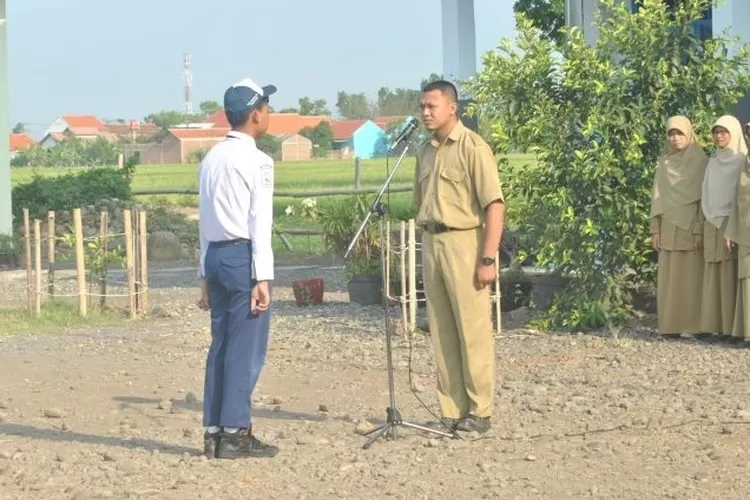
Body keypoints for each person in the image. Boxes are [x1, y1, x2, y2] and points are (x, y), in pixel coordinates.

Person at [413, 80, 505, 434]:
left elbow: (494, 205)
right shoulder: (424, 151)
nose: (425, 112)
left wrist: (487, 258)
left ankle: (479, 411)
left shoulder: (473, 148)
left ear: (453, 108)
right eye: (422, 106)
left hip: (465, 243)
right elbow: (419, 201)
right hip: (432, 242)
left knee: (472, 330)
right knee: (442, 330)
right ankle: (452, 409)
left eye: (432, 106)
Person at [196, 77, 279, 459]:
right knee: (245, 349)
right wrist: (262, 277)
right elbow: (258, 221)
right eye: (266, 106)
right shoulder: (258, 161)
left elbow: (203, 219)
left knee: (221, 346)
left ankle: (213, 431)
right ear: (255, 114)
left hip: (214, 255)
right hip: (242, 257)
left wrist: (203, 274)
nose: (269, 112)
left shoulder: (211, 158)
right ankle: (236, 433)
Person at [649, 116, 707, 338]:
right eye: (671, 134)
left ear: (689, 134)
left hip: (691, 227)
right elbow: (657, 197)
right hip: (668, 228)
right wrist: (655, 230)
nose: (675, 138)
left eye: (680, 133)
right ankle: (670, 327)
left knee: (692, 279)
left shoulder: (700, 160)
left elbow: (705, 198)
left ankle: (694, 327)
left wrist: (700, 228)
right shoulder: (664, 162)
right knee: (669, 280)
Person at [701, 115, 746, 339]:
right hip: (711, 220)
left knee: (730, 275)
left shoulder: (741, 160)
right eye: (716, 132)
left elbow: (740, 197)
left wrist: (733, 226)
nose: (719, 136)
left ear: (734, 133)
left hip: (732, 221)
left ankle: (731, 327)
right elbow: (706, 191)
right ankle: (713, 325)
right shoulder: (712, 160)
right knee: (712, 273)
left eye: (724, 132)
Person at [722, 117, 750, 341]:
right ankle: (745, 331)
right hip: (745, 231)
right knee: (746, 280)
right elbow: (736, 201)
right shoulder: (745, 165)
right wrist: (731, 230)